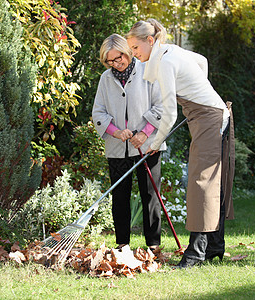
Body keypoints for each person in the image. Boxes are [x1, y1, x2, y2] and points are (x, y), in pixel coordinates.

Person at [126, 19, 235, 268]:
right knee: (209, 181)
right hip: (209, 114)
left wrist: (156, 141)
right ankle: (213, 247)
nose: (134, 53)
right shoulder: (172, 50)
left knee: (201, 182)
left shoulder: (164, 62)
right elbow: (202, 62)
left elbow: (169, 114)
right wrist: (198, 94)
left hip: (209, 117)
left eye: (135, 47)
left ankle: (196, 253)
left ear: (150, 41)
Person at [92, 34, 166, 251]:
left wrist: (144, 133)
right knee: (120, 197)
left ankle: (153, 245)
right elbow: (98, 112)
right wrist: (115, 132)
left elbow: (160, 106)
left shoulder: (148, 72)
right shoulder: (106, 79)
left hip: (148, 145)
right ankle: (122, 244)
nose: (116, 64)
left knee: (150, 195)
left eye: (119, 58)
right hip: (117, 148)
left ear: (127, 52)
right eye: (110, 61)